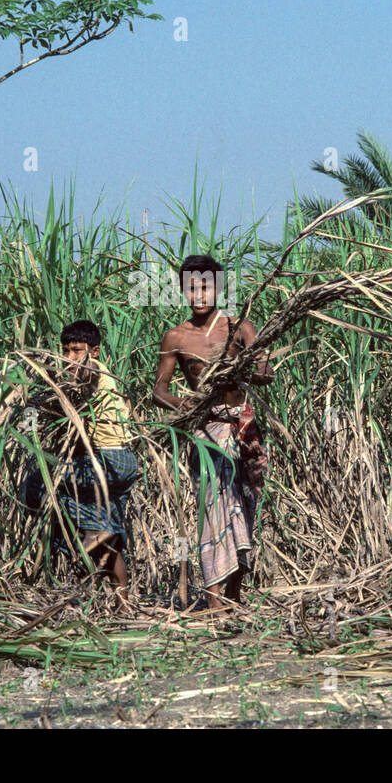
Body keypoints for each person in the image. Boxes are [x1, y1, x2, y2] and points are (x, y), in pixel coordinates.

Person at [152, 254, 273, 611]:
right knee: (212, 510)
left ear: (219, 289)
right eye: (192, 288)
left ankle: (233, 598)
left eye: (206, 286)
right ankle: (214, 603)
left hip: (245, 429)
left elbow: (267, 372)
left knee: (244, 511)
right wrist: (181, 404)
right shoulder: (177, 336)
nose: (199, 294)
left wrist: (239, 370)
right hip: (208, 434)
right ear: (183, 291)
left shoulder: (240, 327)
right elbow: (159, 389)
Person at [19, 320, 139, 610]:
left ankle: (79, 540)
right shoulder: (96, 376)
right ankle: (124, 606)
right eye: (65, 351)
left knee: (36, 485)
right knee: (105, 533)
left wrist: (54, 369)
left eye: (76, 350)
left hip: (106, 462)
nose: (69, 357)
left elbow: (85, 375)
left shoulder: (96, 370)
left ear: (94, 351)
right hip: (122, 464)